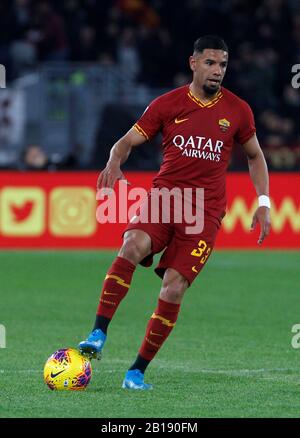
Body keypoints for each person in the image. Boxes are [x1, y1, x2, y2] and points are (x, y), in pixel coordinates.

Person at [79, 35, 271, 390]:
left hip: (206, 213)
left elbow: (255, 155)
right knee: (132, 245)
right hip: (164, 199)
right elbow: (126, 141)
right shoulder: (167, 105)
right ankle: (98, 333)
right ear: (194, 63)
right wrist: (113, 160)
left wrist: (263, 202)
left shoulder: (238, 111)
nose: (218, 71)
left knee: (173, 288)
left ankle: (136, 372)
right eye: (211, 63)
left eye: (224, 64)